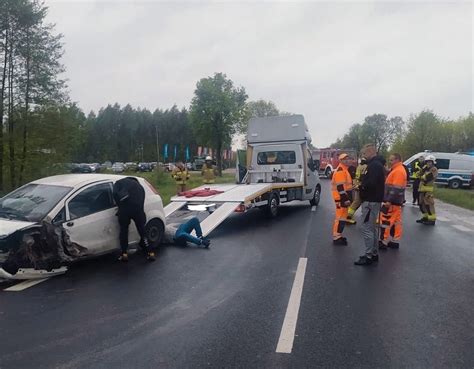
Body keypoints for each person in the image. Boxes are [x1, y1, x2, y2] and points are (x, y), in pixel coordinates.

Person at [354, 144, 385, 266]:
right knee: (372, 228)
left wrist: (361, 187)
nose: (363, 156)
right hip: (374, 200)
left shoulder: (374, 166)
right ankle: (373, 253)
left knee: (367, 228)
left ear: (371, 152)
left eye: (364, 154)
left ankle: (368, 256)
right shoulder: (377, 165)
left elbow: (370, 183)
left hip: (370, 201)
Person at [113, 177, 155, 262]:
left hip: (124, 210)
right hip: (137, 210)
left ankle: (124, 254)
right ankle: (150, 253)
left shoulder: (118, 184)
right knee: (142, 231)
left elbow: (115, 195)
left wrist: (120, 208)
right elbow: (141, 203)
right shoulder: (139, 187)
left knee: (124, 230)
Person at [379, 153, 407, 250]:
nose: (390, 162)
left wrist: (388, 200)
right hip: (396, 201)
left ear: (397, 160)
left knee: (386, 221)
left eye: (391, 160)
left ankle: (383, 241)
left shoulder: (398, 171)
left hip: (391, 202)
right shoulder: (398, 169)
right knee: (396, 222)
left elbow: (395, 188)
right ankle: (395, 241)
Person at [331, 153, 353, 245]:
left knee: (342, 218)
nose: (347, 160)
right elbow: (340, 187)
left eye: (348, 158)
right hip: (341, 199)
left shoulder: (344, 170)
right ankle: (336, 237)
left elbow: (345, 186)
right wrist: (345, 199)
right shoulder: (341, 170)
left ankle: (339, 235)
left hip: (343, 198)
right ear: (341, 161)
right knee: (339, 218)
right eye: (344, 159)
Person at [417, 155, 438, 225]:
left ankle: (432, 219)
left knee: (429, 204)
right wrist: (422, 170)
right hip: (422, 189)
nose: (428, 163)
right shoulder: (425, 168)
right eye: (427, 162)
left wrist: (422, 176)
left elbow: (428, 177)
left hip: (428, 190)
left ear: (433, 162)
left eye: (430, 162)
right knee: (421, 204)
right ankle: (425, 217)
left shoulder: (434, 169)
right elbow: (418, 175)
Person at [346, 157, 368, 224]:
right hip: (361, 186)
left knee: (356, 202)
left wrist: (356, 184)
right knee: (359, 202)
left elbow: (356, 176)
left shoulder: (359, 166)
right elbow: (363, 177)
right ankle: (348, 216)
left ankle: (348, 216)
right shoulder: (366, 166)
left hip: (357, 185)